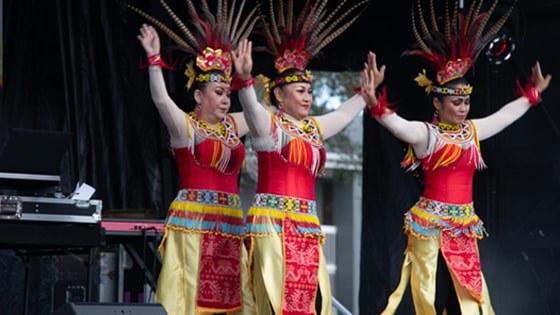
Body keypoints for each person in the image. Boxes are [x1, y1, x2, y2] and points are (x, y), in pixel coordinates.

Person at [372, 1, 553, 314]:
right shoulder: (427, 135)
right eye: (456, 102)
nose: (463, 107)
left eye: (466, 101)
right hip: (430, 227)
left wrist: (531, 96)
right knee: (433, 295)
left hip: (463, 228)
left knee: (466, 300)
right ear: (438, 104)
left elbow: (504, 116)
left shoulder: (472, 131)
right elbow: (397, 125)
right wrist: (375, 103)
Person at [230, 1, 382, 314]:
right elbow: (251, 109)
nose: (308, 97)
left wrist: (364, 93)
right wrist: (245, 82)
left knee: (308, 303)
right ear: (279, 96)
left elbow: (342, 114)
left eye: (309, 91)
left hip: (306, 226)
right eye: (299, 91)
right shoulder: (268, 126)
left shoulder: (314, 127)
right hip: (271, 226)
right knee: (272, 301)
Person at [132, 1, 258, 314]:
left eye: (228, 93)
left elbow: (262, 114)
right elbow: (161, 100)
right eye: (219, 92)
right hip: (193, 226)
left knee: (232, 302)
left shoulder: (235, 125)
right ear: (199, 96)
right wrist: (154, 59)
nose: (226, 99)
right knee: (188, 301)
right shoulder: (185, 128)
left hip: (229, 225)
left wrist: (246, 80)